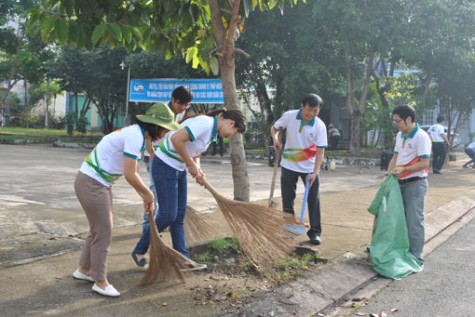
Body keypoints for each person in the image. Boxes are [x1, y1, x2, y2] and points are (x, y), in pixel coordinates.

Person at [72, 103, 181, 297]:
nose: (165, 133)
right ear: (155, 125)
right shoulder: (135, 136)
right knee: (104, 231)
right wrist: (148, 194)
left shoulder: (138, 135)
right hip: (92, 183)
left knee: (97, 229)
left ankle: (84, 269)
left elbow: (135, 168)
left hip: (97, 182)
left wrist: (144, 194)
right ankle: (100, 281)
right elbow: (130, 174)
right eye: (165, 129)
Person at [132, 109, 246, 268]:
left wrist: (197, 168)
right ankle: (139, 250)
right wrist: (190, 165)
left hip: (177, 169)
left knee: (179, 216)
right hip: (165, 165)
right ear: (230, 123)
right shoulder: (205, 123)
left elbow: (194, 150)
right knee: (167, 215)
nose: (231, 135)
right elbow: (176, 139)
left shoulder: (211, 130)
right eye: (234, 132)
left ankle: (182, 259)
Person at [132, 86, 194, 267]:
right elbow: (148, 133)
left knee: (172, 212)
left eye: (187, 105)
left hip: (174, 163)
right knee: (155, 197)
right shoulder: (162, 110)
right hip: (159, 159)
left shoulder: (181, 116)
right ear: (173, 99)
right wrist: (151, 154)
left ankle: (180, 255)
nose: (183, 107)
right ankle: (148, 228)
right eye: (181, 103)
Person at [270, 93, 327, 245]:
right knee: (287, 198)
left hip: (309, 168)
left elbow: (321, 151)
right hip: (288, 165)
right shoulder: (289, 116)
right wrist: (275, 140)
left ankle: (315, 232)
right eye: (309, 109)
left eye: (315, 111)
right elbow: (274, 129)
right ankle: (290, 228)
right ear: (302, 105)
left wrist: (316, 172)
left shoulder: (319, 125)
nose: (312, 114)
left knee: (313, 200)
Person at [386, 104, 431, 264]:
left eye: (398, 121)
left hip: (415, 184)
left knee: (414, 219)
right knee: (396, 218)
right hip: (399, 182)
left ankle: (416, 255)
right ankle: (397, 248)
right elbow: (395, 157)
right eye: (395, 121)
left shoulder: (421, 136)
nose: (396, 124)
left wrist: (405, 169)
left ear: (409, 119)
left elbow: (425, 163)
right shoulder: (400, 135)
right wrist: (388, 175)